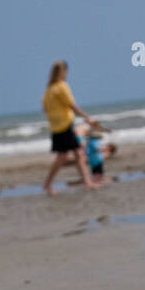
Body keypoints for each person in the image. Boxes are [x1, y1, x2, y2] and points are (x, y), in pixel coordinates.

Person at [41, 61, 100, 194]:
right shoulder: (61, 87)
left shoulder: (49, 90)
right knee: (67, 156)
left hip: (56, 127)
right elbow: (71, 105)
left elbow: (45, 108)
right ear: (63, 72)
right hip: (64, 126)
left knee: (76, 153)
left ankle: (87, 182)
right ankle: (48, 183)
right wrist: (86, 118)